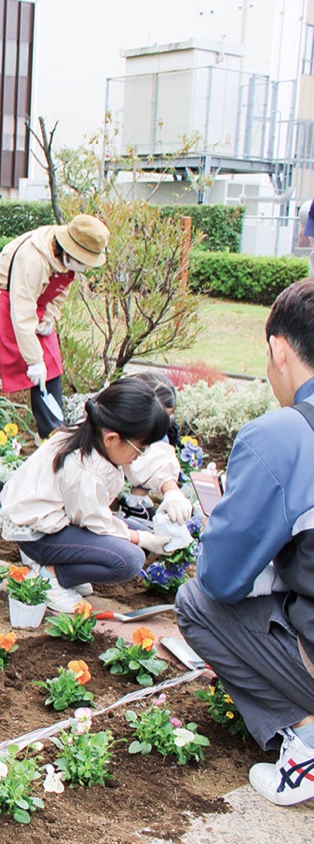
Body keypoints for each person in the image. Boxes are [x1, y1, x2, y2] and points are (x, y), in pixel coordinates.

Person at [175, 279, 314, 807]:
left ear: (279, 349)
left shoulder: (286, 434)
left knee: (196, 602)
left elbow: (221, 579)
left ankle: (306, 739)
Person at [0, 378, 175, 612]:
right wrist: (138, 538)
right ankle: (49, 577)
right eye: (140, 449)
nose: (140, 456)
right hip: (38, 535)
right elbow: (96, 522)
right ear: (112, 438)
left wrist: (172, 491)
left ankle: (67, 571)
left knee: (138, 532)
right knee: (129, 559)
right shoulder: (83, 469)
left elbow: (146, 466)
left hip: (59, 521)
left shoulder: (94, 430)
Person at [0, 213, 110, 442]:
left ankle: (53, 435)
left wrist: (50, 317)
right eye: (83, 261)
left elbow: (60, 292)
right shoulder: (33, 259)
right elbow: (21, 313)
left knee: (51, 364)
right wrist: (33, 361)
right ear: (68, 249)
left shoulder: (69, 259)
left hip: (33, 304)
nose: (84, 267)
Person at [121, 371, 192, 523]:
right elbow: (151, 458)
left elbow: (156, 458)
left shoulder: (162, 436)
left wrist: (172, 492)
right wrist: (170, 489)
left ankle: (137, 500)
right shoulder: (113, 432)